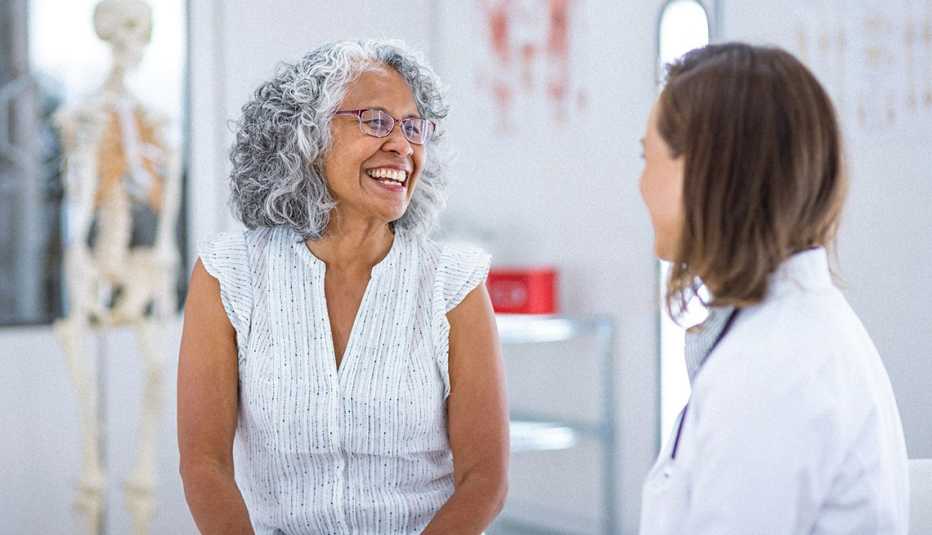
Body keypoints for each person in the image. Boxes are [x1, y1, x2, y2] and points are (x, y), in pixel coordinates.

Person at [177, 39, 509, 535]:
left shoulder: (452, 283)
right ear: (306, 136)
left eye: (414, 127)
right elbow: (205, 463)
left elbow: (485, 479)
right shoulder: (230, 275)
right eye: (376, 120)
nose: (402, 145)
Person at [637, 43, 909, 534]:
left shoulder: (773, 368)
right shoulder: (788, 330)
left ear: (702, 173)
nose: (640, 185)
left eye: (647, 157)